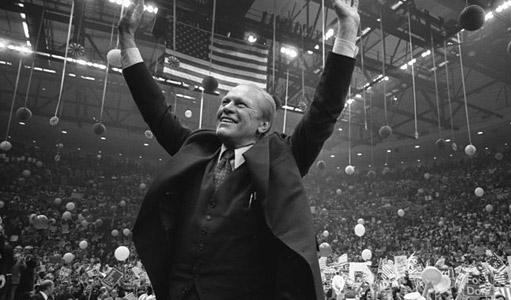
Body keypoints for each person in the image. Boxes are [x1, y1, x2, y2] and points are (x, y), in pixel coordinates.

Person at [116, 0, 359, 299]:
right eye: (225, 102)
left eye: (240, 104)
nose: (226, 107)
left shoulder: (283, 158)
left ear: (262, 124)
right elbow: (155, 110)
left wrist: (347, 30)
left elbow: (324, 110)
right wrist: (126, 37)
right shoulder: (196, 151)